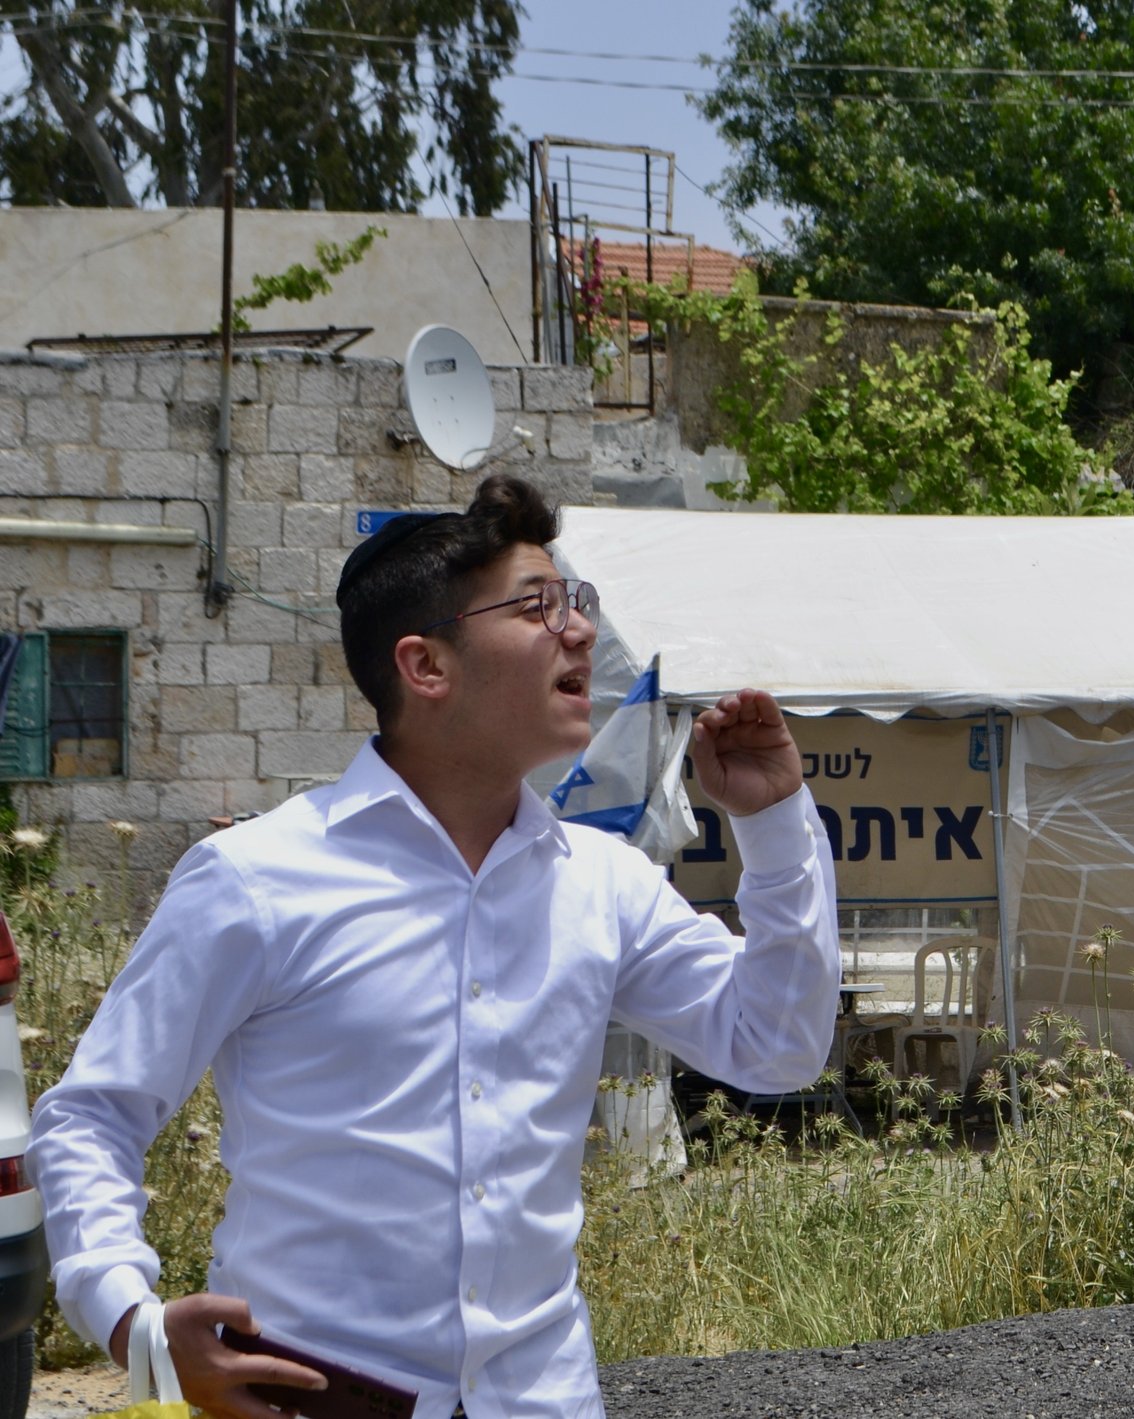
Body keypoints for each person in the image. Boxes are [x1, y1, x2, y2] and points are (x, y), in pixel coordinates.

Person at [30, 474, 842, 1419]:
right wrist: (134, 1323)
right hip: (308, 1398)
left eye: (575, 603)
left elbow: (776, 1045)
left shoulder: (602, 882)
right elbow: (92, 1115)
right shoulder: (257, 878)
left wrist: (777, 823)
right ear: (426, 667)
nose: (579, 630)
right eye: (539, 607)